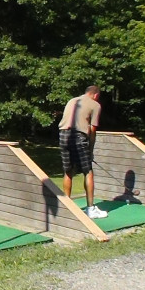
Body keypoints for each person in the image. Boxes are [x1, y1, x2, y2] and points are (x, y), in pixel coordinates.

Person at [58, 85, 107, 219]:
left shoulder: (72, 100)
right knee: (88, 171)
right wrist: (90, 150)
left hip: (63, 135)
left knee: (68, 170)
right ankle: (90, 209)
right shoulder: (95, 105)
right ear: (96, 95)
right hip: (79, 136)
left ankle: (67, 206)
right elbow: (92, 129)